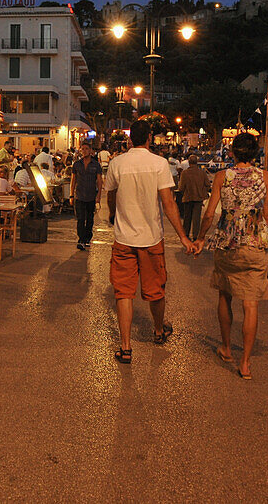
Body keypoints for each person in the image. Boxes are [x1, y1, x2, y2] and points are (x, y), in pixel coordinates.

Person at [105, 120, 194, 364]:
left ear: (130, 139)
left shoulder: (117, 163)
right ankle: (158, 330)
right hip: (152, 237)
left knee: (123, 292)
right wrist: (183, 237)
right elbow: (168, 204)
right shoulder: (159, 163)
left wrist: (113, 214)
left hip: (123, 238)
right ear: (149, 139)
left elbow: (110, 193)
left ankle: (125, 348)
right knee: (156, 289)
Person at [193, 133, 268, 379]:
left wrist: (199, 238)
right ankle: (246, 363)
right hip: (255, 244)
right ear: (255, 153)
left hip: (227, 244)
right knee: (250, 304)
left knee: (225, 295)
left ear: (233, 152)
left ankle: (227, 348)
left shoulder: (222, 177)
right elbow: (267, 214)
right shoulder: (265, 177)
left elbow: (209, 214)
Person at [70, 143, 103, 250]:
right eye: (82, 149)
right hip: (79, 195)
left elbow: (99, 181)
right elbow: (73, 180)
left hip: (91, 195)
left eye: (86, 149)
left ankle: (88, 238)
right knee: (80, 219)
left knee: (90, 219)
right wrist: (71, 195)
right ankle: (81, 240)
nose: (84, 151)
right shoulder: (77, 164)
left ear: (91, 151)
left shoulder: (96, 165)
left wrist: (98, 196)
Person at [178, 154, 211, 241]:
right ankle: (196, 235)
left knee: (187, 217)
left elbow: (181, 187)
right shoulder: (202, 173)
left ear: (189, 162)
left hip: (188, 197)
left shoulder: (184, 173)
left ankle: (186, 234)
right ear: (197, 162)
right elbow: (208, 185)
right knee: (196, 218)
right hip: (198, 198)